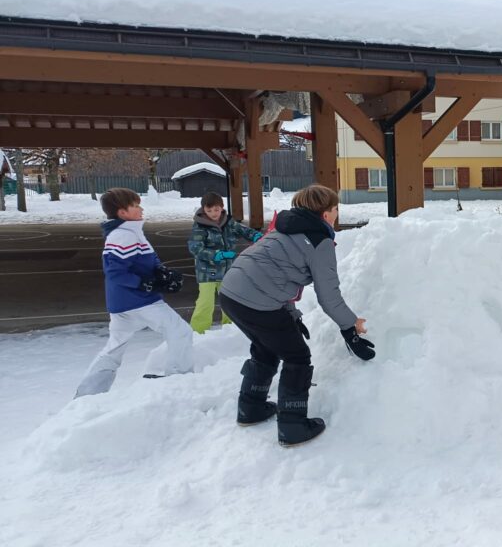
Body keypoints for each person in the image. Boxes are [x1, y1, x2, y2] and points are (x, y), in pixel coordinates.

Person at [219, 185, 376, 447]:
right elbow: (329, 296)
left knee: (265, 347)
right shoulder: (320, 241)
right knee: (297, 357)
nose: (337, 214)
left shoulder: (283, 227)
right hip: (258, 301)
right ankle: (292, 426)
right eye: (335, 209)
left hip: (231, 293)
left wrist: (290, 314)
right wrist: (351, 326)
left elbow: (276, 275)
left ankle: (251, 407)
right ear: (326, 214)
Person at [75, 188, 191, 398]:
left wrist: (162, 274)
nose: (141, 209)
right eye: (135, 206)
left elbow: (143, 260)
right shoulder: (123, 235)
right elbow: (115, 271)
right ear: (122, 213)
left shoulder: (130, 231)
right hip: (138, 301)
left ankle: (88, 393)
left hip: (123, 302)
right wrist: (145, 284)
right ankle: (179, 378)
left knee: (115, 347)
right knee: (180, 331)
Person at [187, 192, 262, 334]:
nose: (213, 213)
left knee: (230, 302)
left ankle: (231, 329)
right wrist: (216, 255)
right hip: (207, 273)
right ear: (203, 210)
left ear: (222, 207)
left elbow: (243, 230)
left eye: (216, 210)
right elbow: (195, 248)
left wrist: (255, 236)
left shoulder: (228, 222)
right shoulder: (200, 226)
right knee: (205, 303)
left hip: (227, 271)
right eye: (209, 211)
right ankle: (197, 331)